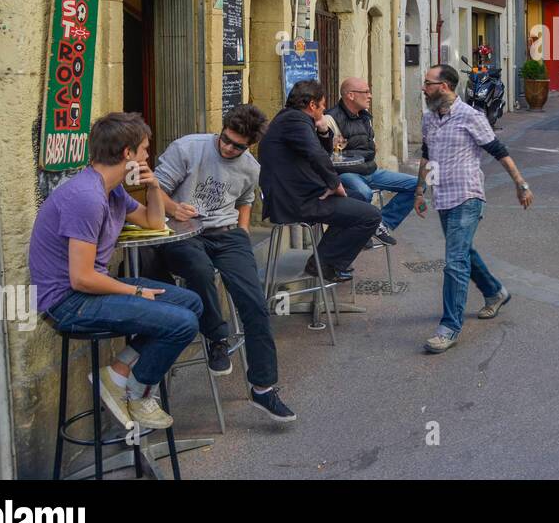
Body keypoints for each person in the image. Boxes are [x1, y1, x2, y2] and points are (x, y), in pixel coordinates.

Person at [29, 112, 203, 431]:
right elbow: (80, 277)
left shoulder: (112, 190)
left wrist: (153, 186)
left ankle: (116, 374)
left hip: (92, 289)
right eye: (145, 150)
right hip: (68, 302)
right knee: (183, 323)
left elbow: (152, 222)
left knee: (192, 302)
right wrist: (135, 292)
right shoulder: (87, 197)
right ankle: (137, 395)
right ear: (127, 153)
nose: (148, 156)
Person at [156, 105, 296, 422]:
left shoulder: (250, 167)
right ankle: (217, 337)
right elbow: (154, 189)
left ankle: (263, 388)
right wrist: (174, 208)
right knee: (201, 271)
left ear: (250, 145)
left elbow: (245, 200)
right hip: (181, 232)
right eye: (226, 140)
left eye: (238, 146)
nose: (229, 148)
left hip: (228, 233)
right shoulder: (188, 148)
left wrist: (244, 232)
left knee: (255, 302)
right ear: (222, 130)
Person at [415, 64, 532, 354]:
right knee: (464, 251)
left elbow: (498, 151)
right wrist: (419, 190)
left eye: (428, 83)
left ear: (444, 86)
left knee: (454, 261)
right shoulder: (429, 118)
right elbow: (427, 156)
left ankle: (449, 327)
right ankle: (495, 292)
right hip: (442, 196)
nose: (423, 88)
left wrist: (521, 184)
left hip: (468, 195)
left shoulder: (471, 116)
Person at [259, 80, 390, 285]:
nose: (323, 110)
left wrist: (322, 131)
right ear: (312, 105)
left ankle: (324, 261)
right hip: (296, 201)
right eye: (321, 106)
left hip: (301, 194)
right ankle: (326, 263)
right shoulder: (295, 120)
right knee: (370, 216)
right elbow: (315, 154)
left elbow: (321, 152)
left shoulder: (292, 120)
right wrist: (333, 184)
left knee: (357, 200)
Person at [327, 77, 418, 242]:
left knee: (417, 184)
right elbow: (328, 155)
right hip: (346, 173)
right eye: (365, 92)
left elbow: (373, 147)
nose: (370, 96)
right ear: (350, 95)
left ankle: (380, 223)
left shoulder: (365, 117)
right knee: (364, 193)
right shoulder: (330, 119)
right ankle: (364, 227)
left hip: (370, 170)